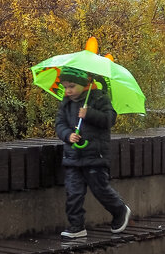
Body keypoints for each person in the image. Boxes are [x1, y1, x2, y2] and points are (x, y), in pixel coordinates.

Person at [55, 67, 131, 239]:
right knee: (73, 192)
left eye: (72, 86)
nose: (68, 91)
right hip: (73, 157)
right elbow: (59, 124)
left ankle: (119, 210)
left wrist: (89, 114)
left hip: (95, 156)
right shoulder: (66, 102)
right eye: (65, 87)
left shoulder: (99, 98)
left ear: (85, 83)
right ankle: (76, 226)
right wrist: (68, 135)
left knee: (100, 189)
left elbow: (109, 119)